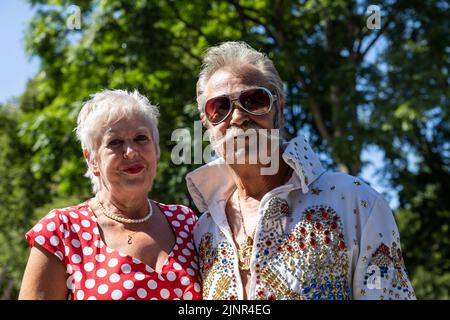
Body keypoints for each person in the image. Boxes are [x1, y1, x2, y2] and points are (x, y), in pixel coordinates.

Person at [186, 41, 416, 300]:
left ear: (280, 110)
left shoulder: (357, 202)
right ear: (207, 124)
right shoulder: (202, 230)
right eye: (220, 107)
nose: (238, 117)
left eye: (254, 100)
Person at [19, 89, 201, 300]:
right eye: (115, 142)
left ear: (157, 149)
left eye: (141, 138)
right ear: (92, 159)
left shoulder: (186, 222)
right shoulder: (62, 231)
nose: (131, 152)